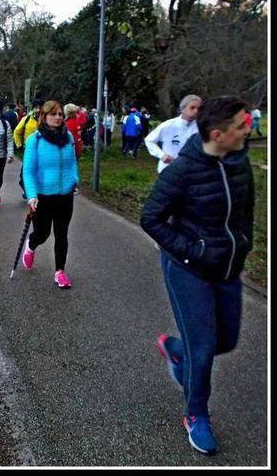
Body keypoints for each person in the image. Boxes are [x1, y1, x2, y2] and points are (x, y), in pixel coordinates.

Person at [141, 96, 254, 456]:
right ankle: (196, 414)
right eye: (241, 125)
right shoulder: (184, 170)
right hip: (188, 269)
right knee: (203, 350)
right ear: (218, 135)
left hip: (228, 268)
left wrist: (244, 244)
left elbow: (246, 210)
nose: (248, 130)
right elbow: (151, 218)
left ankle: (176, 349)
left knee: (226, 341)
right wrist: (193, 251)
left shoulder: (239, 161)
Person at [21, 100, 80, 289]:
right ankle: (31, 244)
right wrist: (31, 195)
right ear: (44, 116)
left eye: (60, 114)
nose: (58, 117)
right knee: (42, 233)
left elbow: (72, 162)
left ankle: (60, 272)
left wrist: (75, 180)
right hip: (43, 197)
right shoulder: (35, 140)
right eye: (53, 114)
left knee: (62, 234)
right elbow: (28, 171)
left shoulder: (68, 136)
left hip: (65, 196)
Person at [144, 94, 201, 173]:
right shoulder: (168, 125)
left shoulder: (201, 127)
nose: (196, 111)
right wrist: (161, 155)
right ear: (183, 109)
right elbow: (149, 140)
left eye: (199, 108)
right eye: (192, 108)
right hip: (168, 169)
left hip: (191, 171)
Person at [14, 99, 43, 199]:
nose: (38, 110)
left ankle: (38, 191)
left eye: (40, 107)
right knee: (26, 170)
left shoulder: (47, 120)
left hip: (43, 150)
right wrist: (19, 145)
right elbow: (17, 131)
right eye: (36, 107)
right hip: (28, 149)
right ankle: (25, 188)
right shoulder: (27, 119)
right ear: (33, 108)